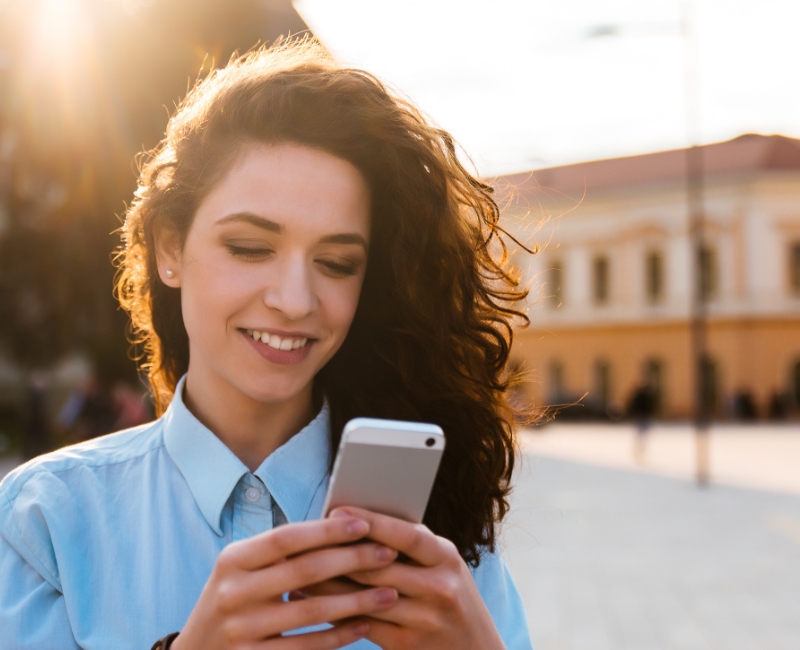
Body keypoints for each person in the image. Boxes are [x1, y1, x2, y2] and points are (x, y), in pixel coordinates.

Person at [0, 40, 534, 649]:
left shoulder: (435, 531)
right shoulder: (43, 520)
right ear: (171, 247)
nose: (295, 299)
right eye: (250, 248)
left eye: (336, 263)